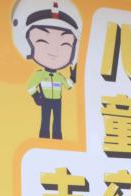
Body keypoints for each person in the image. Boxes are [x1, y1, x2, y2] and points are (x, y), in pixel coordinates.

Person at [11, 0, 81, 139]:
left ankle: (57, 137)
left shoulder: (59, 76)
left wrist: (72, 79)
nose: (54, 51)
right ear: (26, 45)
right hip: (46, 100)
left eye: (65, 43)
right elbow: (30, 85)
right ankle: (44, 137)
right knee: (45, 120)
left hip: (57, 100)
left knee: (57, 121)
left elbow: (67, 86)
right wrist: (35, 96)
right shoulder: (39, 75)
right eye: (42, 41)